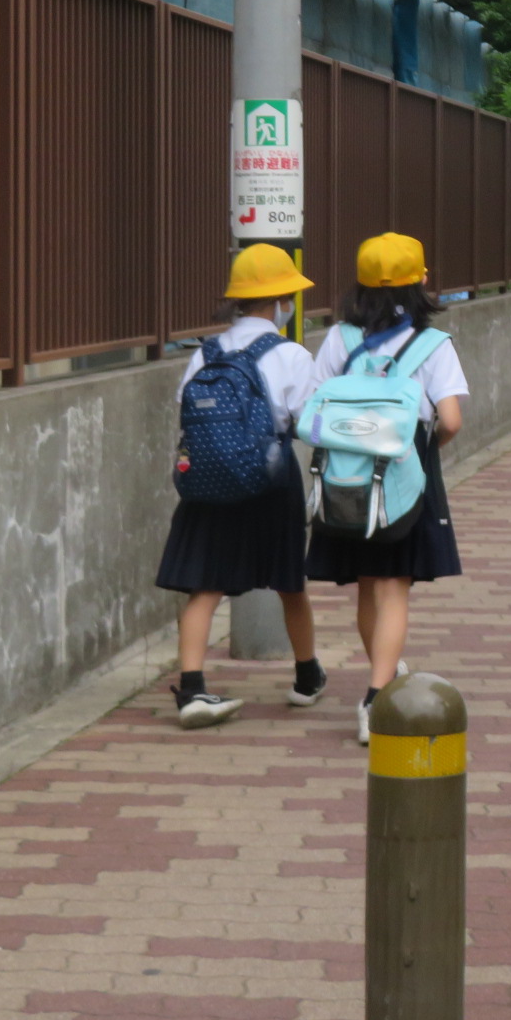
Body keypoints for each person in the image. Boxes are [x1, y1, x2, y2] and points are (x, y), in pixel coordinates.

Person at [304, 233, 468, 745]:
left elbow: (314, 410)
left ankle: (384, 674)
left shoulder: (339, 339)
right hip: (405, 469)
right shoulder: (432, 345)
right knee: (395, 587)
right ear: (422, 282)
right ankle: (377, 700)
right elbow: (451, 419)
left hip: (344, 476)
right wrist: (427, 446)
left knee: (368, 582)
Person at [157, 243, 327, 729]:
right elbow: (306, 420)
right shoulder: (292, 354)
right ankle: (306, 676)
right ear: (278, 303)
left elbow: (184, 406)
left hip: (207, 481)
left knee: (204, 586)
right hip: (270, 481)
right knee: (289, 583)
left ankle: (192, 689)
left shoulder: (206, 353)